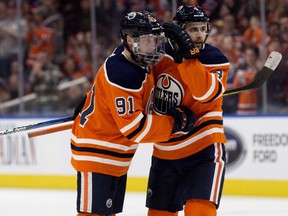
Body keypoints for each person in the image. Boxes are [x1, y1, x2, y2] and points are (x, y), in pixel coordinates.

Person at [70, 10, 196, 216]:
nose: (155, 46)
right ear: (130, 39)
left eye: (157, 40)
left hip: (113, 154)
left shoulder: (133, 55)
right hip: (97, 152)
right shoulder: (124, 73)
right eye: (149, 40)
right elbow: (135, 128)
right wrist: (174, 123)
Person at [146, 5, 230, 216]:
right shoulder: (160, 56)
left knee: (198, 212)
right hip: (165, 151)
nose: (200, 34)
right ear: (180, 30)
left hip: (203, 148)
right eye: (193, 29)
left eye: (202, 28)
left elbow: (205, 94)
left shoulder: (214, 58)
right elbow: (139, 88)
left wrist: (188, 56)